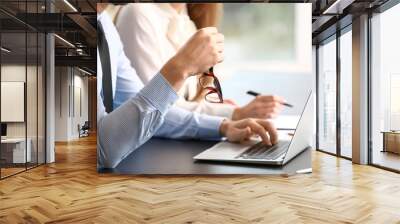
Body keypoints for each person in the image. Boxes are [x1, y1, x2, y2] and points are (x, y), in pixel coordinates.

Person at [97, 4, 278, 169]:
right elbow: (103, 149)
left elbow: (147, 109)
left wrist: (223, 126)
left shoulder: (105, 26)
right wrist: (180, 68)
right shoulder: (131, 14)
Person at [116, 3, 286, 120]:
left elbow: (186, 102)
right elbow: (153, 108)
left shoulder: (188, 23)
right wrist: (234, 114)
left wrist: (215, 110)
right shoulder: (138, 14)